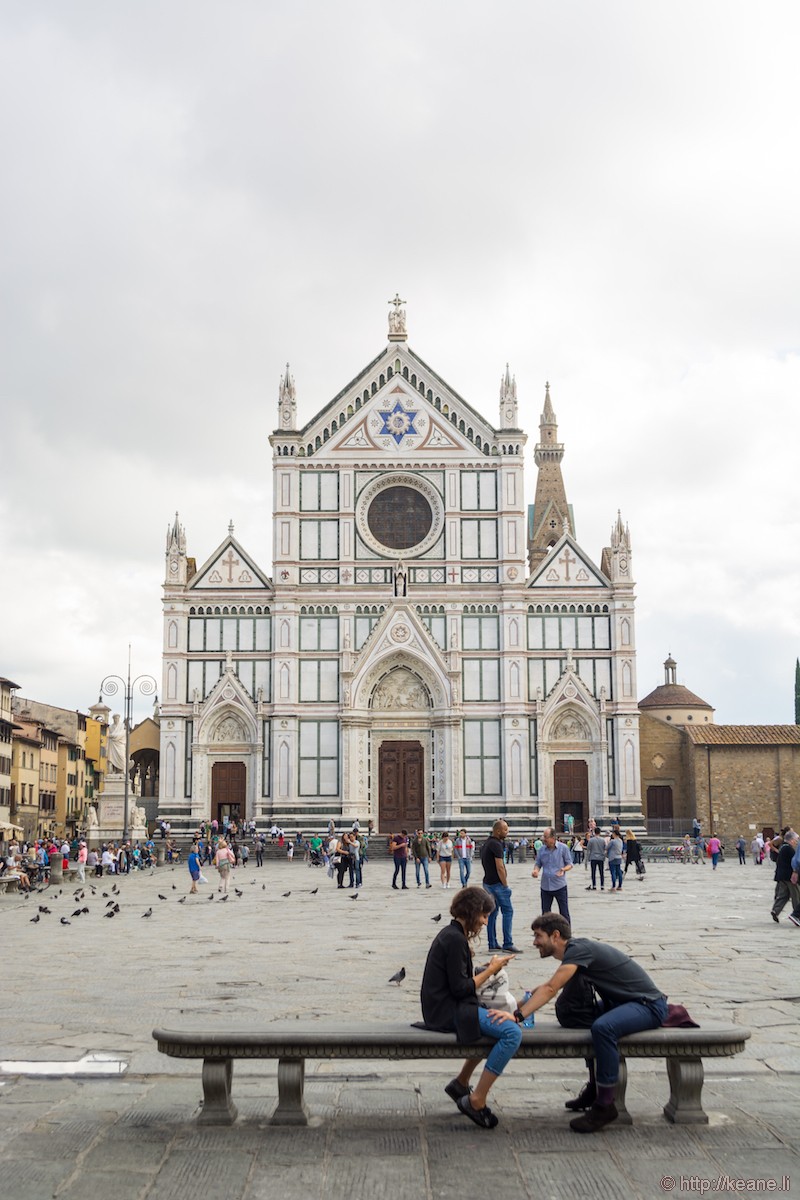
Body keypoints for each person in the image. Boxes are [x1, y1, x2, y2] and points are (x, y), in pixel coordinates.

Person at [517, 913, 668, 1133]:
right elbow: (549, 985)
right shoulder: (576, 952)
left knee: (603, 1027)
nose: (534, 942)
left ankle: (605, 1104)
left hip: (648, 1006)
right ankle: (595, 1087)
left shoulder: (578, 950)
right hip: (623, 1004)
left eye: (538, 936)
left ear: (555, 936)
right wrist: (516, 1007)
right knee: (583, 1018)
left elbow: (551, 989)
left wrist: (518, 1017)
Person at [420, 886, 522, 1129]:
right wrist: (491, 971)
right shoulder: (454, 939)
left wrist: (487, 969)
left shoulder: (453, 934)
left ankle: (461, 1083)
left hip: (446, 1006)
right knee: (511, 1033)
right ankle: (476, 1100)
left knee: (493, 1024)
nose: (486, 922)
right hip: (448, 1011)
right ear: (473, 912)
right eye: (484, 916)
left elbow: (459, 979)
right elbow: (460, 988)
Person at [481, 819, 522, 953]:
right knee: (508, 911)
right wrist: (505, 885)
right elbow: (500, 867)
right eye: (505, 830)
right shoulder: (496, 845)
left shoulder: (487, 843)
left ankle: (492, 943)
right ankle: (507, 943)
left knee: (492, 913)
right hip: (497, 884)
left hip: (487, 882)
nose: (507, 832)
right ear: (498, 831)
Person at [531, 827, 573, 921]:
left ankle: (566, 934)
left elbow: (570, 864)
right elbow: (538, 863)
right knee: (545, 914)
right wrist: (536, 871)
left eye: (546, 837)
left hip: (560, 885)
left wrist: (563, 869)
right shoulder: (542, 850)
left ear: (553, 837)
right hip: (545, 886)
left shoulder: (563, 848)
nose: (543, 839)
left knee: (564, 912)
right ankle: (546, 934)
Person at [771, 830, 799, 923]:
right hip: (789, 877)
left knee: (784, 895)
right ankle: (797, 914)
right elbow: (795, 862)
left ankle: (775, 910)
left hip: (781, 876)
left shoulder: (783, 847)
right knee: (796, 895)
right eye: (796, 840)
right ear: (791, 840)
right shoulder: (789, 849)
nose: (796, 842)